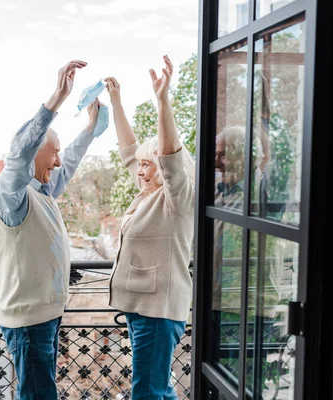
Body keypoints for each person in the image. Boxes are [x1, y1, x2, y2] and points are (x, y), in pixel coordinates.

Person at [0, 60, 107, 399]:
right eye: (51, 153)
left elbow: (67, 164)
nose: (57, 161)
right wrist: (56, 99)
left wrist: (90, 129)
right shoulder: (10, 193)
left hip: (45, 316)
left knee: (40, 391)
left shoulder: (43, 190)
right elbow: (20, 153)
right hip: (27, 321)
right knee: (38, 395)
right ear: (36, 154)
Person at [105, 55, 195, 399]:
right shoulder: (148, 193)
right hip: (142, 308)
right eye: (140, 165)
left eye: (148, 165)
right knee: (158, 388)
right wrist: (116, 102)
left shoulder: (176, 197)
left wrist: (162, 101)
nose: (140, 171)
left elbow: (170, 156)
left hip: (158, 312)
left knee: (147, 391)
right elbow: (128, 150)